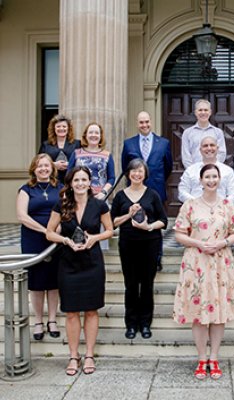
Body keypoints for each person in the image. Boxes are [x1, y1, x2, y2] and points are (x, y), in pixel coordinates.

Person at [173, 164, 234, 380]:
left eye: (215, 177)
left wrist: (223, 242)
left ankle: (214, 357)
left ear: (219, 179)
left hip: (221, 262)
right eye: (207, 177)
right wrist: (198, 243)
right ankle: (201, 357)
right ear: (201, 180)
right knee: (199, 314)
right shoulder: (190, 205)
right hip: (196, 262)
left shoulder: (227, 205)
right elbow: (178, 234)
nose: (211, 180)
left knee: (218, 312)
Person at [46, 166, 113, 376]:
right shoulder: (62, 204)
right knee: (72, 312)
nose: (81, 183)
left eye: (84, 180)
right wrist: (65, 240)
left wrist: (95, 238)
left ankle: (90, 354)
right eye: (77, 180)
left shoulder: (100, 205)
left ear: (89, 182)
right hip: (68, 263)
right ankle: (74, 356)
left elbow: (110, 230)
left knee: (92, 311)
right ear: (71, 183)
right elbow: (49, 233)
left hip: (92, 263)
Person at [111, 159, 168, 341]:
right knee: (131, 284)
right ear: (128, 173)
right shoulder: (120, 196)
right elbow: (112, 223)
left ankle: (145, 324)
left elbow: (163, 221)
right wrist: (128, 213)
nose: (137, 174)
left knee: (147, 284)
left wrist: (148, 227)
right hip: (128, 244)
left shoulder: (152, 194)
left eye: (140, 171)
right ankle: (131, 324)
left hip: (150, 243)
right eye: (133, 171)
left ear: (145, 174)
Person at [16, 154, 63, 341]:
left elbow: (66, 212)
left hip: (55, 239)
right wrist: (46, 230)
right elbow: (22, 216)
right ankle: (38, 321)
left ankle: (52, 320)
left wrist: (56, 230)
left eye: (46, 165)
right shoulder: (26, 189)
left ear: (52, 168)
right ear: (33, 169)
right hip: (33, 238)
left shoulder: (60, 188)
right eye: (39, 166)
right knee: (36, 282)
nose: (43, 169)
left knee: (53, 281)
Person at [121, 111, 172, 271]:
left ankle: (157, 258)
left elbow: (168, 166)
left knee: (156, 225)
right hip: (134, 190)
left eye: (147, 122)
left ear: (151, 122)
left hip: (156, 189)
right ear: (137, 123)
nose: (144, 125)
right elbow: (125, 167)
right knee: (135, 222)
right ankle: (137, 258)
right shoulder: (129, 144)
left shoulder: (163, 143)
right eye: (141, 122)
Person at [178, 135, 234, 205]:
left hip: (221, 212)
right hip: (195, 211)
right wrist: (197, 203)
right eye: (205, 146)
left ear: (217, 148)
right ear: (200, 150)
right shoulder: (190, 170)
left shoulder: (228, 171)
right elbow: (182, 192)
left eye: (212, 145)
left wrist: (221, 205)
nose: (209, 148)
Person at [67, 122, 115, 199]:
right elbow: (68, 175)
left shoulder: (107, 155)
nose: (93, 135)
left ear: (100, 136)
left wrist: (103, 192)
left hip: (100, 197)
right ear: (85, 135)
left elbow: (111, 178)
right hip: (79, 195)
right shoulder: (76, 153)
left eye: (96, 133)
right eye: (90, 132)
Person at [181, 99, 226, 169]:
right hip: (193, 174)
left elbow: (221, 154)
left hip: (213, 173)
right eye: (200, 110)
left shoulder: (218, 132)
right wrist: (193, 171)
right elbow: (186, 156)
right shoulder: (187, 133)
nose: (203, 112)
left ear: (210, 112)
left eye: (206, 110)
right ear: (195, 112)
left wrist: (211, 169)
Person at [39, 114, 81, 182]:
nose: (61, 129)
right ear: (54, 128)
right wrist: (53, 165)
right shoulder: (46, 145)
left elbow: (82, 162)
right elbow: (38, 162)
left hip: (72, 181)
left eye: (64, 126)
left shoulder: (77, 144)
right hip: (51, 180)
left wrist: (70, 164)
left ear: (68, 128)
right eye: (58, 126)